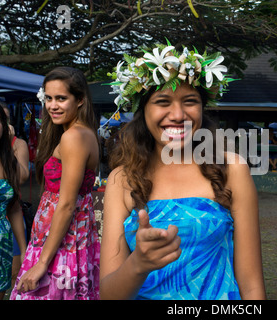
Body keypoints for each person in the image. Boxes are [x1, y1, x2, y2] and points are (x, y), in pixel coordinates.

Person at [99, 42, 266, 300]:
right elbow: (109, 295)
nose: (178, 115)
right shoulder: (122, 179)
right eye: (162, 101)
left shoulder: (232, 169)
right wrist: (137, 265)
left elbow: (252, 284)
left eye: (190, 101)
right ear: (142, 111)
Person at [10, 67, 100, 300]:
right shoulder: (82, 132)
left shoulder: (74, 136)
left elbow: (68, 203)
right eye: (49, 98)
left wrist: (41, 263)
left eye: (61, 98)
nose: (53, 106)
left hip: (61, 243)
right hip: (62, 238)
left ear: (80, 100)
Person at [0, 101, 26, 300]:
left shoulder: (9, 162)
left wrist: (23, 250)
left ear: (4, 126)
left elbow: (13, 209)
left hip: (2, 245)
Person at [2, 103, 30, 288]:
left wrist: (6, 148)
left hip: (12, 212)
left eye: (2, 120)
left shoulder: (18, 144)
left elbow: (21, 177)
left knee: (14, 271)